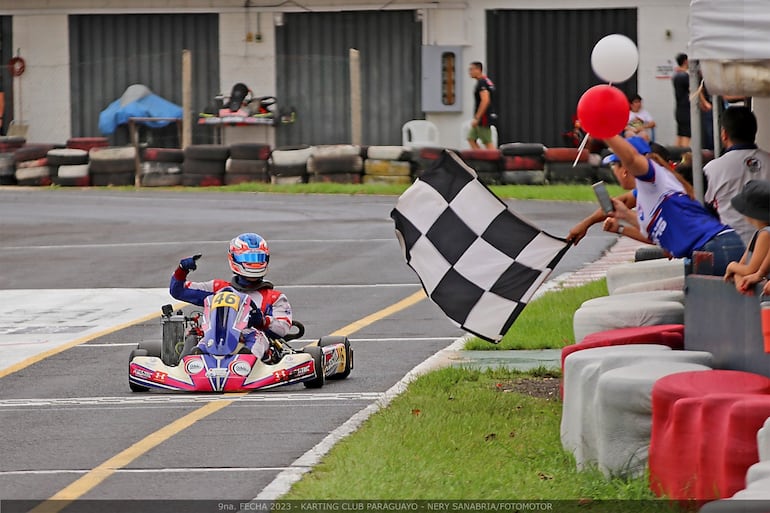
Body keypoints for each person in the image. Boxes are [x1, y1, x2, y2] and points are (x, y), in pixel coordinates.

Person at [600, 135, 745, 276]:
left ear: (625, 169)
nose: (613, 171)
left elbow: (632, 158)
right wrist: (623, 216)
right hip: (709, 248)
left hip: (717, 246)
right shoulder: (647, 197)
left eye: (614, 165)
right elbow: (658, 239)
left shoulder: (653, 178)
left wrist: (604, 130)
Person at [170, 232, 293, 362]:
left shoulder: (274, 297)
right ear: (234, 259)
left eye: (258, 258)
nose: (254, 264)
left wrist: (263, 321)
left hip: (252, 339)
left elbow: (282, 329)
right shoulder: (217, 288)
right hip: (218, 337)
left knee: (257, 336)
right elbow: (178, 291)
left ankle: (248, 359)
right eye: (249, 259)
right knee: (204, 338)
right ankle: (194, 361)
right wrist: (182, 270)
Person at [565, 138, 670, 246]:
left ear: (624, 171)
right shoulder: (650, 187)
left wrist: (625, 214)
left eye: (613, 165)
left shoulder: (660, 192)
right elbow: (622, 202)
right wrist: (587, 224)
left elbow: (666, 241)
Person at [703, 106, 770, 246]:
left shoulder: (713, 169)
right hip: (766, 247)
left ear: (724, 134)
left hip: (730, 245)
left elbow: (705, 211)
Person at [724, 181, 770, 294]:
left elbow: (750, 269)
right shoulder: (758, 234)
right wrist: (738, 275)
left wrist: (731, 266)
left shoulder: (765, 234)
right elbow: (743, 266)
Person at [467, 61, 497, 149]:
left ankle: (495, 161)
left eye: (471, 69)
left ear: (478, 70)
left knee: (487, 142)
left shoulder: (482, 83)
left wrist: (477, 117)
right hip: (483, 116)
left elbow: (485, 100)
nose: (470, 72)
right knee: (471, 138)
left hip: (484, 117)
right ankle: (481, 159)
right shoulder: (486, 81)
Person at [672, 53, 691, 148]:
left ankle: (675, 157)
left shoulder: (676, 75)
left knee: (680, 134)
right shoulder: (685, 76)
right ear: (685, 61)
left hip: (679, 109)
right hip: (686, 109)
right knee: (686, 135)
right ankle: (684, 156)